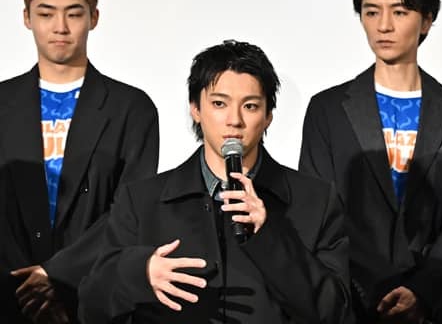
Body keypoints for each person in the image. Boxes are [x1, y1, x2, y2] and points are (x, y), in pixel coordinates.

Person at [78, 40, 350, 323]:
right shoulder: (141, 202)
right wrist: (140, 274)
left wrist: (269, 236)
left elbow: (338, 313)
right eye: (219, 104)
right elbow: (90, 308)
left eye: (250, 106)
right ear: (195, 109)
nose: (234, 120)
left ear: (268, 115)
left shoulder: (315, 201)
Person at [299, 0, 442, 323]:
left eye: (399, 12)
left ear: (426, 20)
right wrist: (370, 290)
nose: (383, 25)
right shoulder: (328, 110)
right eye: (372, 12)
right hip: (351, 302)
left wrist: (422, 290)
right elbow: (318, 208)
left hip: (433, 305)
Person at [0, 0, 159, 323]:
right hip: (8, 293)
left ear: (93, 17)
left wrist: (58, 275)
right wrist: (28, 285)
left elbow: (131, 210)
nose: (60, 27)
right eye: (46, 14)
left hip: (93, 295)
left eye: (73, 13)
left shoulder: (131, 109)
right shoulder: (3, 104)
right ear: (27, 18)